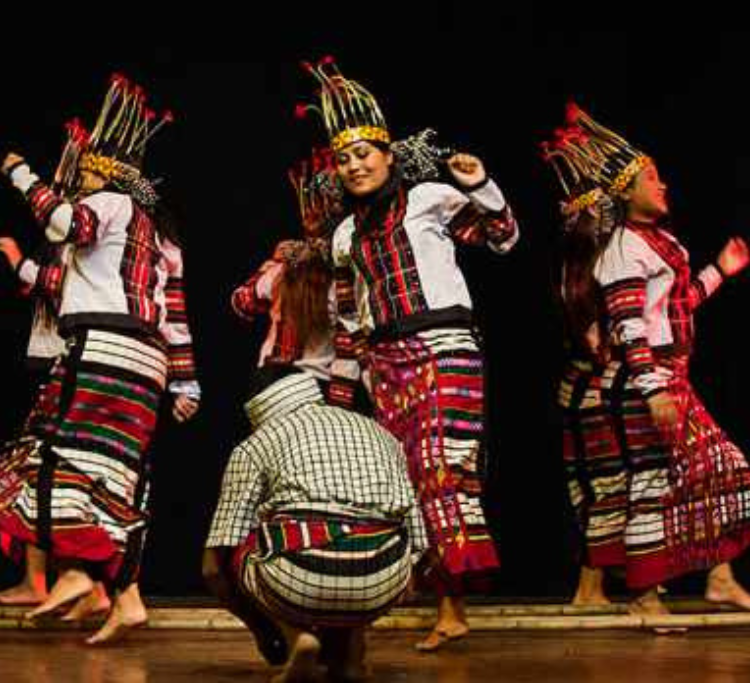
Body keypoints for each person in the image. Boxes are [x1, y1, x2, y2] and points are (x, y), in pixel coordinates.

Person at [296, 57, 519, 651]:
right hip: (385, 363)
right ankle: (419, 589)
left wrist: (480, 185)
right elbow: (347, 317)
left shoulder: (428, 197)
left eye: (364, 153)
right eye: (344, 159)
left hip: (445, 347)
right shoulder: (344, 235)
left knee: (444, 465)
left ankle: (453, 605)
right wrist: (343, 391)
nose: (355, 165)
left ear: (389, 154)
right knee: (402, 475)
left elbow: (503, 238)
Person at [0, 74, 200, 643]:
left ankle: (79, 573)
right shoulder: (161, 234)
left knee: (45, 453)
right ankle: (124, 593)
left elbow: (66, 223)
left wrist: (20, 174)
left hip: (103, 348)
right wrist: (186, 386)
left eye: (84, 167)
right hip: (146, 362)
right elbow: (177, 316)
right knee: (115, 473)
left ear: (102, 170)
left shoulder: (106, 202)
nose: (77, 176)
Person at [542, 103, 750, 620]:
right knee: (647, 484)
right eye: (652, 178)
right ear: (626, 191)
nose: (663, 185)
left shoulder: (664, 243)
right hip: (646, 378)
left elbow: (677, 305)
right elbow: (631, 323)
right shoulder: (622, 249)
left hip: (670, 375)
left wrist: (721, 271)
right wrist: (653, 388)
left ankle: (718, 579)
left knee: (719, 470)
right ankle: (645, 593)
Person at [203, 365, 427, 682]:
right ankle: (351, 654)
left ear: (258, 408)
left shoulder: (255, 445)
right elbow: (419, 541)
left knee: (242, 544)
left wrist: (263, 632)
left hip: (299, 578)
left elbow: (212, 568)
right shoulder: (379, 432)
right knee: (368, 536)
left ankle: (297, 638)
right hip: (383, 579)